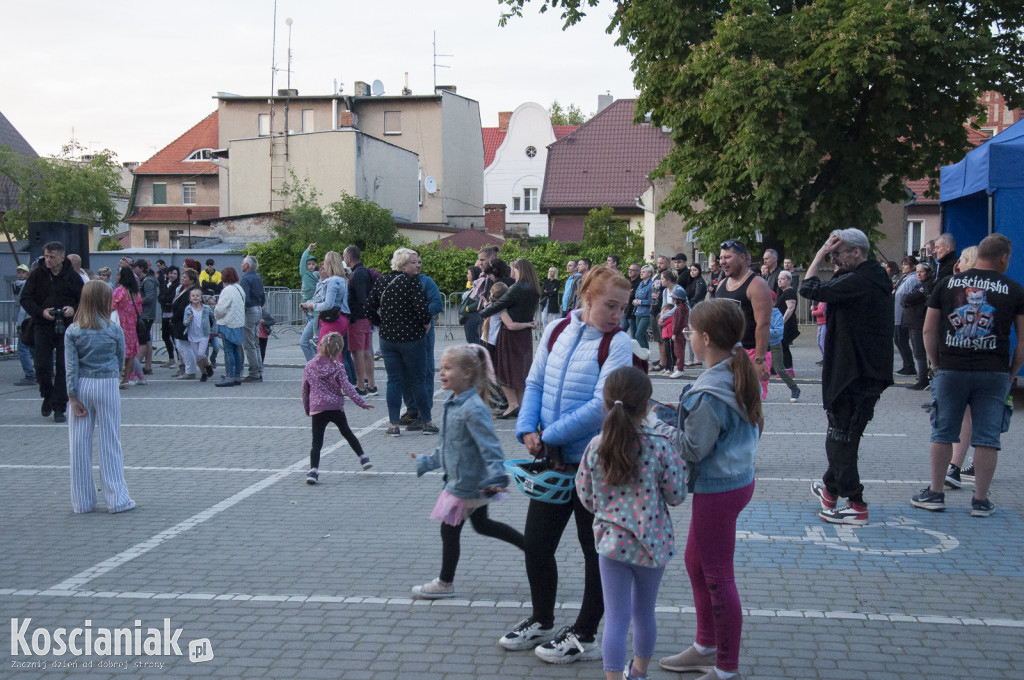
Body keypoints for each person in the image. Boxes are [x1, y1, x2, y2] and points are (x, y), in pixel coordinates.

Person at [498, 265, 633, 664]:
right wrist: (526, 427)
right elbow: (535, 381)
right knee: (537, 543)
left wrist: (549, 435)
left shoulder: (619, 343)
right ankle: (541, 619)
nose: (616, 315)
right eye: (610, 305)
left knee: (595, 551)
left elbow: (602, 404)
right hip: (553, 461)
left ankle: (586, 634)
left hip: (593, 464)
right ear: (586, 297)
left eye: (622, 307)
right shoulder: (557, 329)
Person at [650, 298, 762, 680]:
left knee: (717, 576)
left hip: (719, 489)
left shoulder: (708, 389)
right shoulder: (736, 367)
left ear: (706, 338)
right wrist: (675, 414)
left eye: (689, 332)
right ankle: (705, 646)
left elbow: (692, 448)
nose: (687, 337)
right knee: (696, 564)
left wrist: (655, 423)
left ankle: (726, 668)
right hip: (734, 482)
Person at [576, 366, 686, 680]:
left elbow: (584, 492)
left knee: (615, 618)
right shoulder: (660, 445)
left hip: (612, 545)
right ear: (648, 406)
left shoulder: (596, 446)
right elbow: (677, 495)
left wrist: (605, 511)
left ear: (605, 404)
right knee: (643, 613)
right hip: (653, 545)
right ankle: (638, 673)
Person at [910, 234, 1024, 518]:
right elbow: (1023, 340)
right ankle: (981, 501)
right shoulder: (1014, 289)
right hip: (994, 371)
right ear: (1003, 258)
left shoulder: (947, 283)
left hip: (951, 368)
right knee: (988, 437)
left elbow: (928, 330)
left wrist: (935, 364)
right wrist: (1011, 373)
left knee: (943, 432)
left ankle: (936, 493)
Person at [410, 344, 525, 599]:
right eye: (441, 368)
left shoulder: (473, 408)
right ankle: (532, 548)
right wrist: (427, 462)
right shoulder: (454, 403)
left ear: (467, 373)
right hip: (464, 480)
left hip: (467, 483)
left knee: (449, 530)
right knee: (483, 525)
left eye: (448, 368)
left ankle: (445, 583)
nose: (442, 373)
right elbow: (447, 446)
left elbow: (491, 446)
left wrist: (497, 476)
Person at [800, 228, 894, 525]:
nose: (834, 259)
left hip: (856, 375)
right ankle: (830, 490)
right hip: (858, 371)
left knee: (840, 439)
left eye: (837, 254)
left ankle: (856, 503)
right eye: (831, 255)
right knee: (845, 437)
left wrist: (818, 254)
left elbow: (809, 288)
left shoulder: (863, 280)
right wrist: (828, 252)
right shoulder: (861, 277)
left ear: (856, 252)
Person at [64, 280, 135, 514]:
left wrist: (72, 396)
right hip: (106, 384)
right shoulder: (113, 328)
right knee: (110, 441)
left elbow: (70, 367)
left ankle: (82, 502)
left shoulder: (73, 330)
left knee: (79, 443)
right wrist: (114, 377)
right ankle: (116, 500)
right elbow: (120, 356)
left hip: (82, 383)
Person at [367, 248, 439, 436]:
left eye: (417, 261)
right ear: (402, 264)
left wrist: (381, 323)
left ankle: (393, 425)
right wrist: (424, 323)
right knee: (417, 380)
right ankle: (427, 422)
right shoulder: (411, 282)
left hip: (388, 339)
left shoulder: (382, 281)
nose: (417, 265)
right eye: (413, 262)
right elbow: (422, 310)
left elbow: (368, 309)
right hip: (411, 338)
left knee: (394, 380)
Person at [19, 241, 84, 423]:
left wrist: (73, 309)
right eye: (46, 256)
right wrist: (41, 312)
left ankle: (59, 406)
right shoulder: (37, 274)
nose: (48, 260)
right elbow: (25, 298)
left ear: (62, 258)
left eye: (52, 257)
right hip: (42, 324)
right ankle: (47, 395)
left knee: (64, 367)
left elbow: (84, 300)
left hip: (66, 326)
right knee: (42, 366)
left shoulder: (72, 277)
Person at [302, 332, 374, 484]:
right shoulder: (338, 367)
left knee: (317, 442)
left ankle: (313, 471)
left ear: (320, 346)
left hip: (318, 408)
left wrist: (307, 408)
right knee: (347, 433)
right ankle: (363, 457)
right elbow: (348, 387)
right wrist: (360, 402)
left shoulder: (309, 366)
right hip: (335, 407)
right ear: (339, 350)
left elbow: (305, 390)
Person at [480, 258, 541, 419]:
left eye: (514, 268)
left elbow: (500, 304)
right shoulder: (534, 289)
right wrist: (529, 323)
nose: (511, 272)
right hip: (525, 333)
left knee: (505, 370)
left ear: (520, 270)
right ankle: (520, 405)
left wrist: (483, 312)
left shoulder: (517, 288)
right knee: (521, 370)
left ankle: (512, 405)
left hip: (510, 334)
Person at [712, 240, 772, 399]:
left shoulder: (757, 284)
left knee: (750, 407)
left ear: (743, 257)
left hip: (750, 352)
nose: (723, 262)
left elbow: (763, 324)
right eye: (721, 258)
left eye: (728, 257)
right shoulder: (723, 283)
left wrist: (759, 360)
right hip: (726, 353)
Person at [343, 245, 377, 395]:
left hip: (357, 318)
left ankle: (361, 385)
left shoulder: (358, 275)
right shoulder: (364, 272)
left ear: (349, 258)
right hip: (365, 318)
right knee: (366, 351)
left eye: (344, 257)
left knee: (358, 353)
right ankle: (371, 384)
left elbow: (361, 298)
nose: (344, 259)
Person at [900, 262, 936, 391]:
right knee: (917, 351)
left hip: (918, 322)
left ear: (928, 272)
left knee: (919, 352)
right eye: (917, 272)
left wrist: (906, 299)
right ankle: (923, 377)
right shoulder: (918, 285)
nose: (919, 274)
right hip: (912, 321)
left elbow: (909, 298)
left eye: (922, 271)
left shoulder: (927, 286)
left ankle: (923, 379)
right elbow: (904, 298)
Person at [112, 266, 144, 388]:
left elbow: (111, 306)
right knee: (130, 354)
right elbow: (139, 310)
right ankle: (126, 380)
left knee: (116, 353)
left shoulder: (120, 291)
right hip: (132, 327)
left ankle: (116, 378)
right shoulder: (135, 293)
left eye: (118, 275)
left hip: (120, 325)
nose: (116, 277)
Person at [214, 267, 246, 387]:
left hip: (228, 323)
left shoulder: (227, 290)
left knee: (228, 351)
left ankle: (229, 376)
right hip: (238, 323)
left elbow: (221, 308)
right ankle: (237, 376)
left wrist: (215, 312)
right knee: (236, 350)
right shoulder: (239, 288)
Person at [170, 268, 202, 380]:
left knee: (184, 347)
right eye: (182, 277)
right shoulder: (183, 290)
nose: (182, 279)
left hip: (184, 321)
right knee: (181, 345)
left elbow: (183, 308)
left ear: (192, 280)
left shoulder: (191, 292)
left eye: (185, 277)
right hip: (178, 321)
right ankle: (189, 369)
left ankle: (190, 370)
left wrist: (174, 318)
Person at [892, 256, 920, 376]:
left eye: (906, 264)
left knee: (901, 340)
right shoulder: (904, 277)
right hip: (897, 314)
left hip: (903, 315)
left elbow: (908, 296)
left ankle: (909, 366)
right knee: (898, 340)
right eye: (902, 264)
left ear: (913, 266)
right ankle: (906, 365)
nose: (903, 266)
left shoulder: (913, 279)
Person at [239, 255, 265, 383]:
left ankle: (254, 372)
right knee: (255, 342)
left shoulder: (245, 279)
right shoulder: (257, 278)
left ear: (247, 266)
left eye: (243, 263)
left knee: (249, 344)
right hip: (258, 309)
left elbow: (245, 298)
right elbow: (262, 296)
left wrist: (243, 309)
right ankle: (259, 369)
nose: (241, 265)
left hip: (249, 311)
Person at [11, 264, 37, 386]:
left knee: (23, 349)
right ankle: (39, 372)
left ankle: (30, 375)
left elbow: (19, 301)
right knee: (34, 349)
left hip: (26, 320)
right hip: (33, 319)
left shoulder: (28, 286)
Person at [183, 289, 216, 382]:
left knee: (201, 353)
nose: (195, 297)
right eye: (193, 296)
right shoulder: (188, 309)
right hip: (192, 335)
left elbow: (214, 317)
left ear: (201, 298)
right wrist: (189, 319)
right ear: (190, 298)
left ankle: (208, 365)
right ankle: (203, 372)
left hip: (204, 334)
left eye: (197, 295)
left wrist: (214, 329)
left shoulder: (206, 308)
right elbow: (185, 323)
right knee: (197, 356)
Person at [298, 244, 323, 362]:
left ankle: (314, 363)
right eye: (309, 264)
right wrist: (308, 249)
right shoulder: (305, 273)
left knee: (314, 320)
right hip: (307, 300)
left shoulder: (317, 275)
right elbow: (303, 261)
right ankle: (314, 362)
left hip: (313, 302)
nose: (311, 266)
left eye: (313, 264)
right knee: (311, 320)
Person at [775, 270, 800, 380]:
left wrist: (782, 322)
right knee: (782, 346)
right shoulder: (784, 292)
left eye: (783, 279)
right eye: (779, 279)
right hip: (783, 323)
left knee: (783, 346)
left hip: (787, 324)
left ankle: (788, 370)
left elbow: (790, 308)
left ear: (789, 280)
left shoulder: (789, 292)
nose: (780, 281)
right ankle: (784, 369)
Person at [136, 260, 158, 374]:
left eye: (135, 267)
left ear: (141, 268)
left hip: (146, 314)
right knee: (147, 340)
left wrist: (137, 302)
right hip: (146, 314)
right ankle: (148, 366)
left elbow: (150, 297)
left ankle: (135, 367)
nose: (134, 269)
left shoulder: (147, 281)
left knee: (142, 341)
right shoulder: (144, 280)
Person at [684, 264, 707, 366]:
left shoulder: (700, 281)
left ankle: (697, 358)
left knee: (694, 333)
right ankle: (694, 358)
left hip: (696, 309)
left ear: (699, 270)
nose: (692, 272)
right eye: (691, 270)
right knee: (691, 333)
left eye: (695, 270)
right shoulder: (692, 281)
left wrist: (688, 303)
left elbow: (697, 296)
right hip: (692, 308)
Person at [656, 269, 678, 375]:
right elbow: (664, 306)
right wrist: (662, 316)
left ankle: (675, 367)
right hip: (667, 318)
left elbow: (678, 307)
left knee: (674, 346)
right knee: (666, 345)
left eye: (662, 279)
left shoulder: (677, 289)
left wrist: (664, 316)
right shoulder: (665, 291)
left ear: (668, 280)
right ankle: (667, 366)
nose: (661, 281)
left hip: (676, 318)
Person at [157, 266, 179, 368]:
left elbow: (171, 298)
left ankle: (179, 359)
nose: (172, 275)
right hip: (164, 313)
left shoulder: (177, 285)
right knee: (165, 336)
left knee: (175, 337)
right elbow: (160, 297)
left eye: (175, 273)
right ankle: (171, 358)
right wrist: (164, 300)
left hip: (173, 314)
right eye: (171, 273)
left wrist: (166, 300)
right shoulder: (164, 283)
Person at [632, 265, 655, 353]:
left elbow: (651, 300)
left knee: (638, 335)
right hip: (638, 312)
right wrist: (634, 301)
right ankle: (646, 354)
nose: (641, 273)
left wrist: (640, 302)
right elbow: (636, 296)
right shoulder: (641, 284)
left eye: (644, 271)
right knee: (643, 335)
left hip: (646, 313)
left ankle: (642, 354)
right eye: (641, 271)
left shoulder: (651, 285)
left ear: (649, 273)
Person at [460, 265, 485, 345]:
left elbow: (479, 301)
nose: (467, 275)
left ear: (473, 275)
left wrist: (467, 308)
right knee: (471, 340)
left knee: (473, 341)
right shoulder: (473, 286)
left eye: (469, 273)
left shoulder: (478, 286)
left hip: (472, 317)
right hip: (469, 317)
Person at [669, 285, 690, 379]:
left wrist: (674, 333)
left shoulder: (678, 309)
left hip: (678, 333)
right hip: (683, 332)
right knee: (681, 350)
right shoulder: (685, 307)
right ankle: (679, 367)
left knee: (678, 351)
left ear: (678, 299)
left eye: (674, 298)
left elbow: (677, 322)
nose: (673, 300)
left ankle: (679, 369)